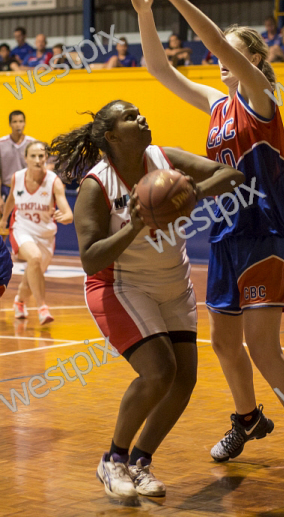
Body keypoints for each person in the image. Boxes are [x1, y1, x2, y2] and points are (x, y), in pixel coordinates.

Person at [120, 0, 284, 501]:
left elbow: (218, 43)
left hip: (264, 234)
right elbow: (157, 68)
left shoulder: (263, 99)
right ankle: (248, 418)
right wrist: (146, 10)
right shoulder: (218, 106)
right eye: (225, 57)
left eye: (235, 55)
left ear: (253, 63)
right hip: (224, 237)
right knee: (223, 343)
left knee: (263, 349)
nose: (222, 61)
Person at [49, 99, 244, 501]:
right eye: (130, 117)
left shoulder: (164, 157)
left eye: (140, 112)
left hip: (174, 282)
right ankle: (113, 460)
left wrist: (190, 195)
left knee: (184, 378)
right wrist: (137, 224)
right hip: (120, 286)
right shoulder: (96, 185)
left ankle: (139, 462)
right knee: (158, 372)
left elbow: (232, 176)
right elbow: (90, 259)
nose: (142, 118)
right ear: (112, 136)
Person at [0, 141, 73, 325]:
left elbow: (68, 213)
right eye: (33, 156)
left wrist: (64, 216)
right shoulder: (17, 177)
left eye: (41, 156)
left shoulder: (54, 181)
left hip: (46, 235)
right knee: (34, 258)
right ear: (26, 159)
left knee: (32, 275)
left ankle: (19, 301)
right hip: (21, 229)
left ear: (46, 158)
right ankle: (42, 308)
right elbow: (11, 200)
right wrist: (4, 219)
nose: (38, 159)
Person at [0, 111, 35, 214]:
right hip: (6, 189)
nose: (18, 124)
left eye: (21, 121)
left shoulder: (32, 144)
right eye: (15, 121)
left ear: (24, 123)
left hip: (27, 190)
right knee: (5, 226)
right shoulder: (1, 144)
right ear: (10, 124)